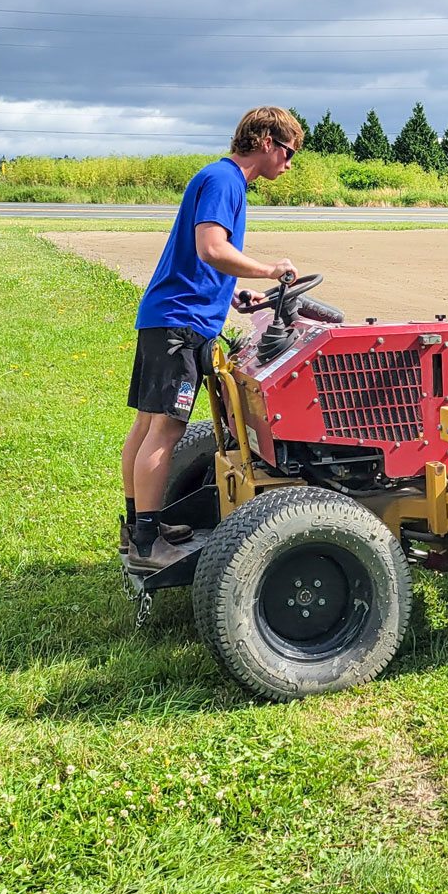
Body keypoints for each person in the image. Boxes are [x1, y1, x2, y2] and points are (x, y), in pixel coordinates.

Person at [121, 107, 301, 568]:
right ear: (265, 141)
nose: (289, 161)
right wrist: (269, 269)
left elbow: (203, 262)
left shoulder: (220, 178)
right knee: (165, 428)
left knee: (146, 426)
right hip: (180, 325)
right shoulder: (225, 181)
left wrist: (235, 291)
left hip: (168, 318)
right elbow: (211, 247)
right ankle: (146, 546)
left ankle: (140, 527)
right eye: (288, 151)